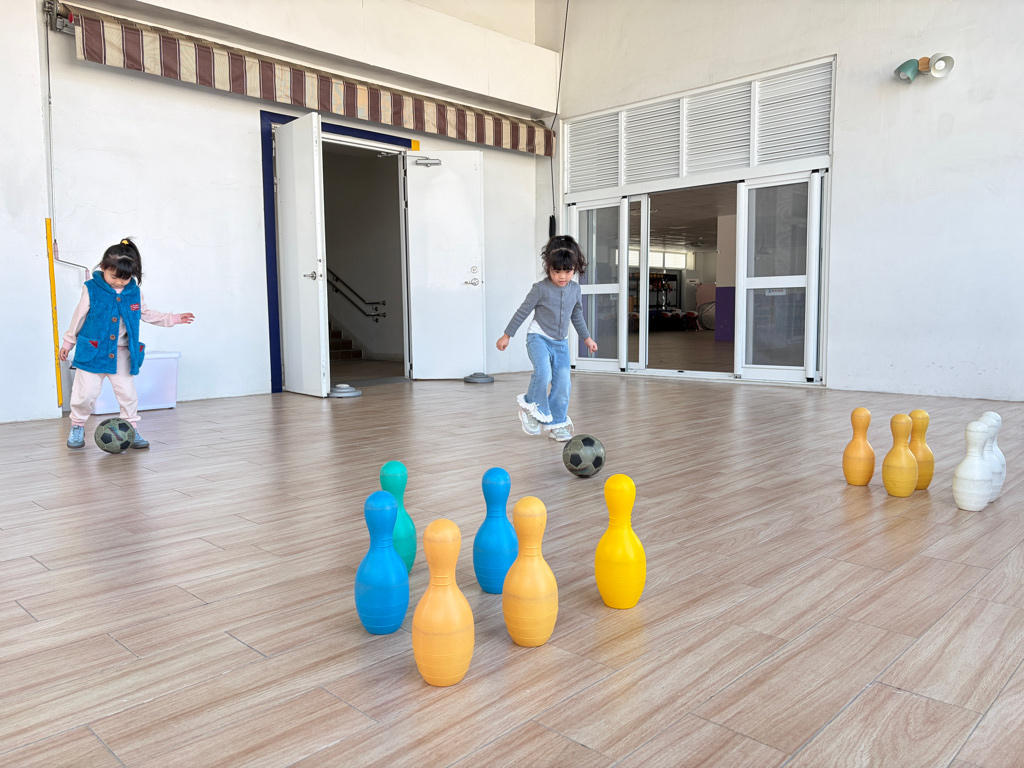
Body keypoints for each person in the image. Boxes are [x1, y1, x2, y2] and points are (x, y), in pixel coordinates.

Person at [59, 238, 195, 449]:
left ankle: (130, 428)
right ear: (103, 267)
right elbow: (79, 317)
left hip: (122, 353)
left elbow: (146, 313)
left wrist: (173, 318)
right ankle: (77, 425)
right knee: (85, 394)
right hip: (93, 352)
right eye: (114, 277)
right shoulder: (91, 288)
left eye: (125, 278)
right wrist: (68, 343)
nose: (119, 283)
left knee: (128, 395)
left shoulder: (134, 292)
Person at [496, 234, 598, 442]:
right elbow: (522, 312)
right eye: (556, 271)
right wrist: (507, 335)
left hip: (561, 343)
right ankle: (530, 409)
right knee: (543, 373)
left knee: (563, 383)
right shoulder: (540, 289)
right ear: (548, 267)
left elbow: (576, 314)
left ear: (575, 268)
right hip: (539, 338)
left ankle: (556, 424)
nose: (562, 276)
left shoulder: (575, 289)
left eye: (568, 271)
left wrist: (586, 338)